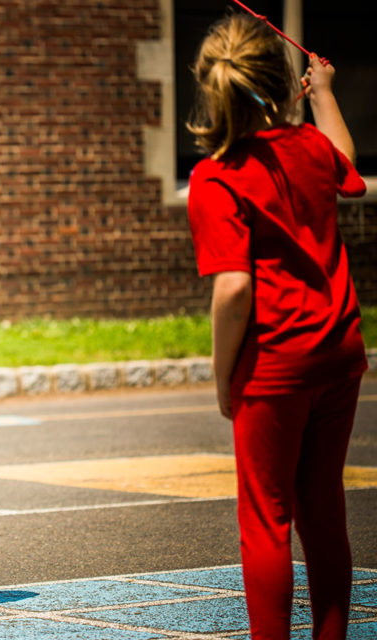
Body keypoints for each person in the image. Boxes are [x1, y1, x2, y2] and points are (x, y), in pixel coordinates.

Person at [185, 13, 367, 639]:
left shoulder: (215, 177)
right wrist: (324, 94)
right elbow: (349, 167)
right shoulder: (312, 149)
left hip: (275, 364)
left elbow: (234, 287)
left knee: (266, 519)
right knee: (323, 509)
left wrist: (220, 377)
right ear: (280, 82)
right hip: (340, 352)